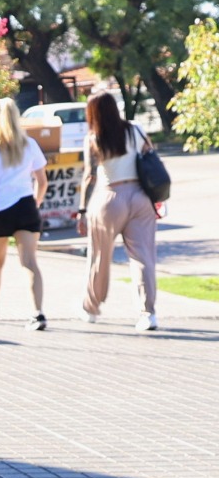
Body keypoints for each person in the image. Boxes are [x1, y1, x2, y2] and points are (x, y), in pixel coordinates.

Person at [76, 92, 159, 331]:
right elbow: (150, 156)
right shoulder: (136, 129)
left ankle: (91, 308)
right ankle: (148, 313)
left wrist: (82, 210)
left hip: (109, 197)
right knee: (143, 257)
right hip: (140, 197)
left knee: (99, 256)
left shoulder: (94, 138)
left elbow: (89, 176)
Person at [0, 98, 49, 330]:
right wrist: (34, 203)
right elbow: (42, 181)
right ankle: (38, 313)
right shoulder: (29, 144)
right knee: (30, 262)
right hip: (25, 207)